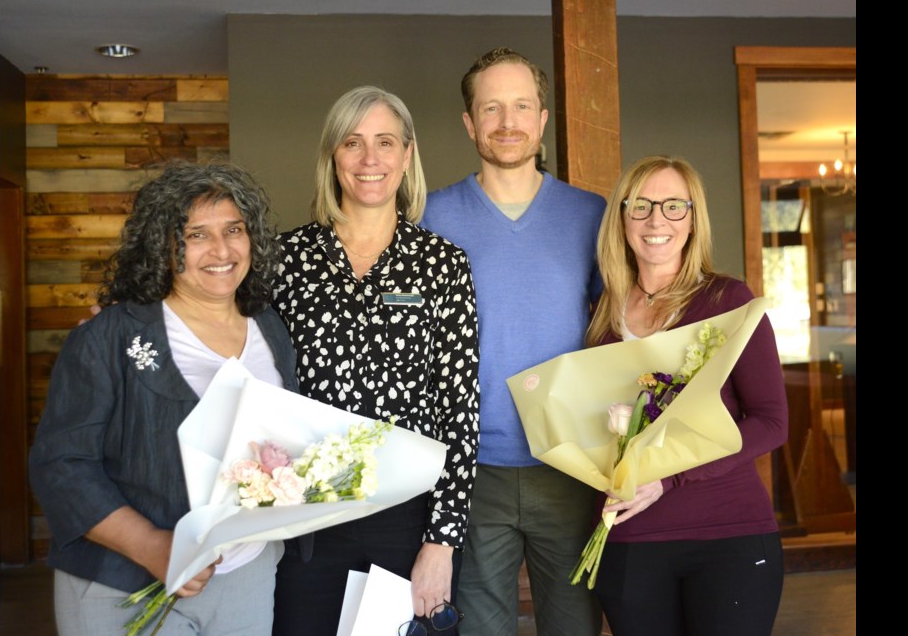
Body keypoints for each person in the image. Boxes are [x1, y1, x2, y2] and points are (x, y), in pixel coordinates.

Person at [28, 161, 299, 635]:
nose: (221, 250)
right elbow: (62, 464)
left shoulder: (269, 327)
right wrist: (152, 544)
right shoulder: (109, 336)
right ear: (164, 245)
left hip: (246, 575)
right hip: (123, 581)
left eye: (234, 229)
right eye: (197, 235)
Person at [270, 85, 481, 635]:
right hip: (305, 521)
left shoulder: (442, 265)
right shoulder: (285, 260)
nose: (370, 159)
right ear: (332, 157)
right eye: (353, 143)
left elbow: (459, 408)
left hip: (406, 520)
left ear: (407, 155)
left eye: (385, 142)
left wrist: (442, 541)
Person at [420, 47, 606, 636]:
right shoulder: (429, 215)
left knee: (575, 627)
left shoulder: (592, 215)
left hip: (570, 466)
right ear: (470, 123)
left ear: (542, 118)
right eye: (491, 108)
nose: (508, 121)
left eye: (522, 105)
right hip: (469, 472)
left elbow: (620, 331)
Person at [586, 155, 788, 635]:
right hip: (630, 540)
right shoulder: (601, 313)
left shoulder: (729, 301)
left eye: (675, 206)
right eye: (642, 206)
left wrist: (668, 478)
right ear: (622, 217)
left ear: (694, 219)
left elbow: (771, 421)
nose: (657, 220)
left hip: (728, 537)